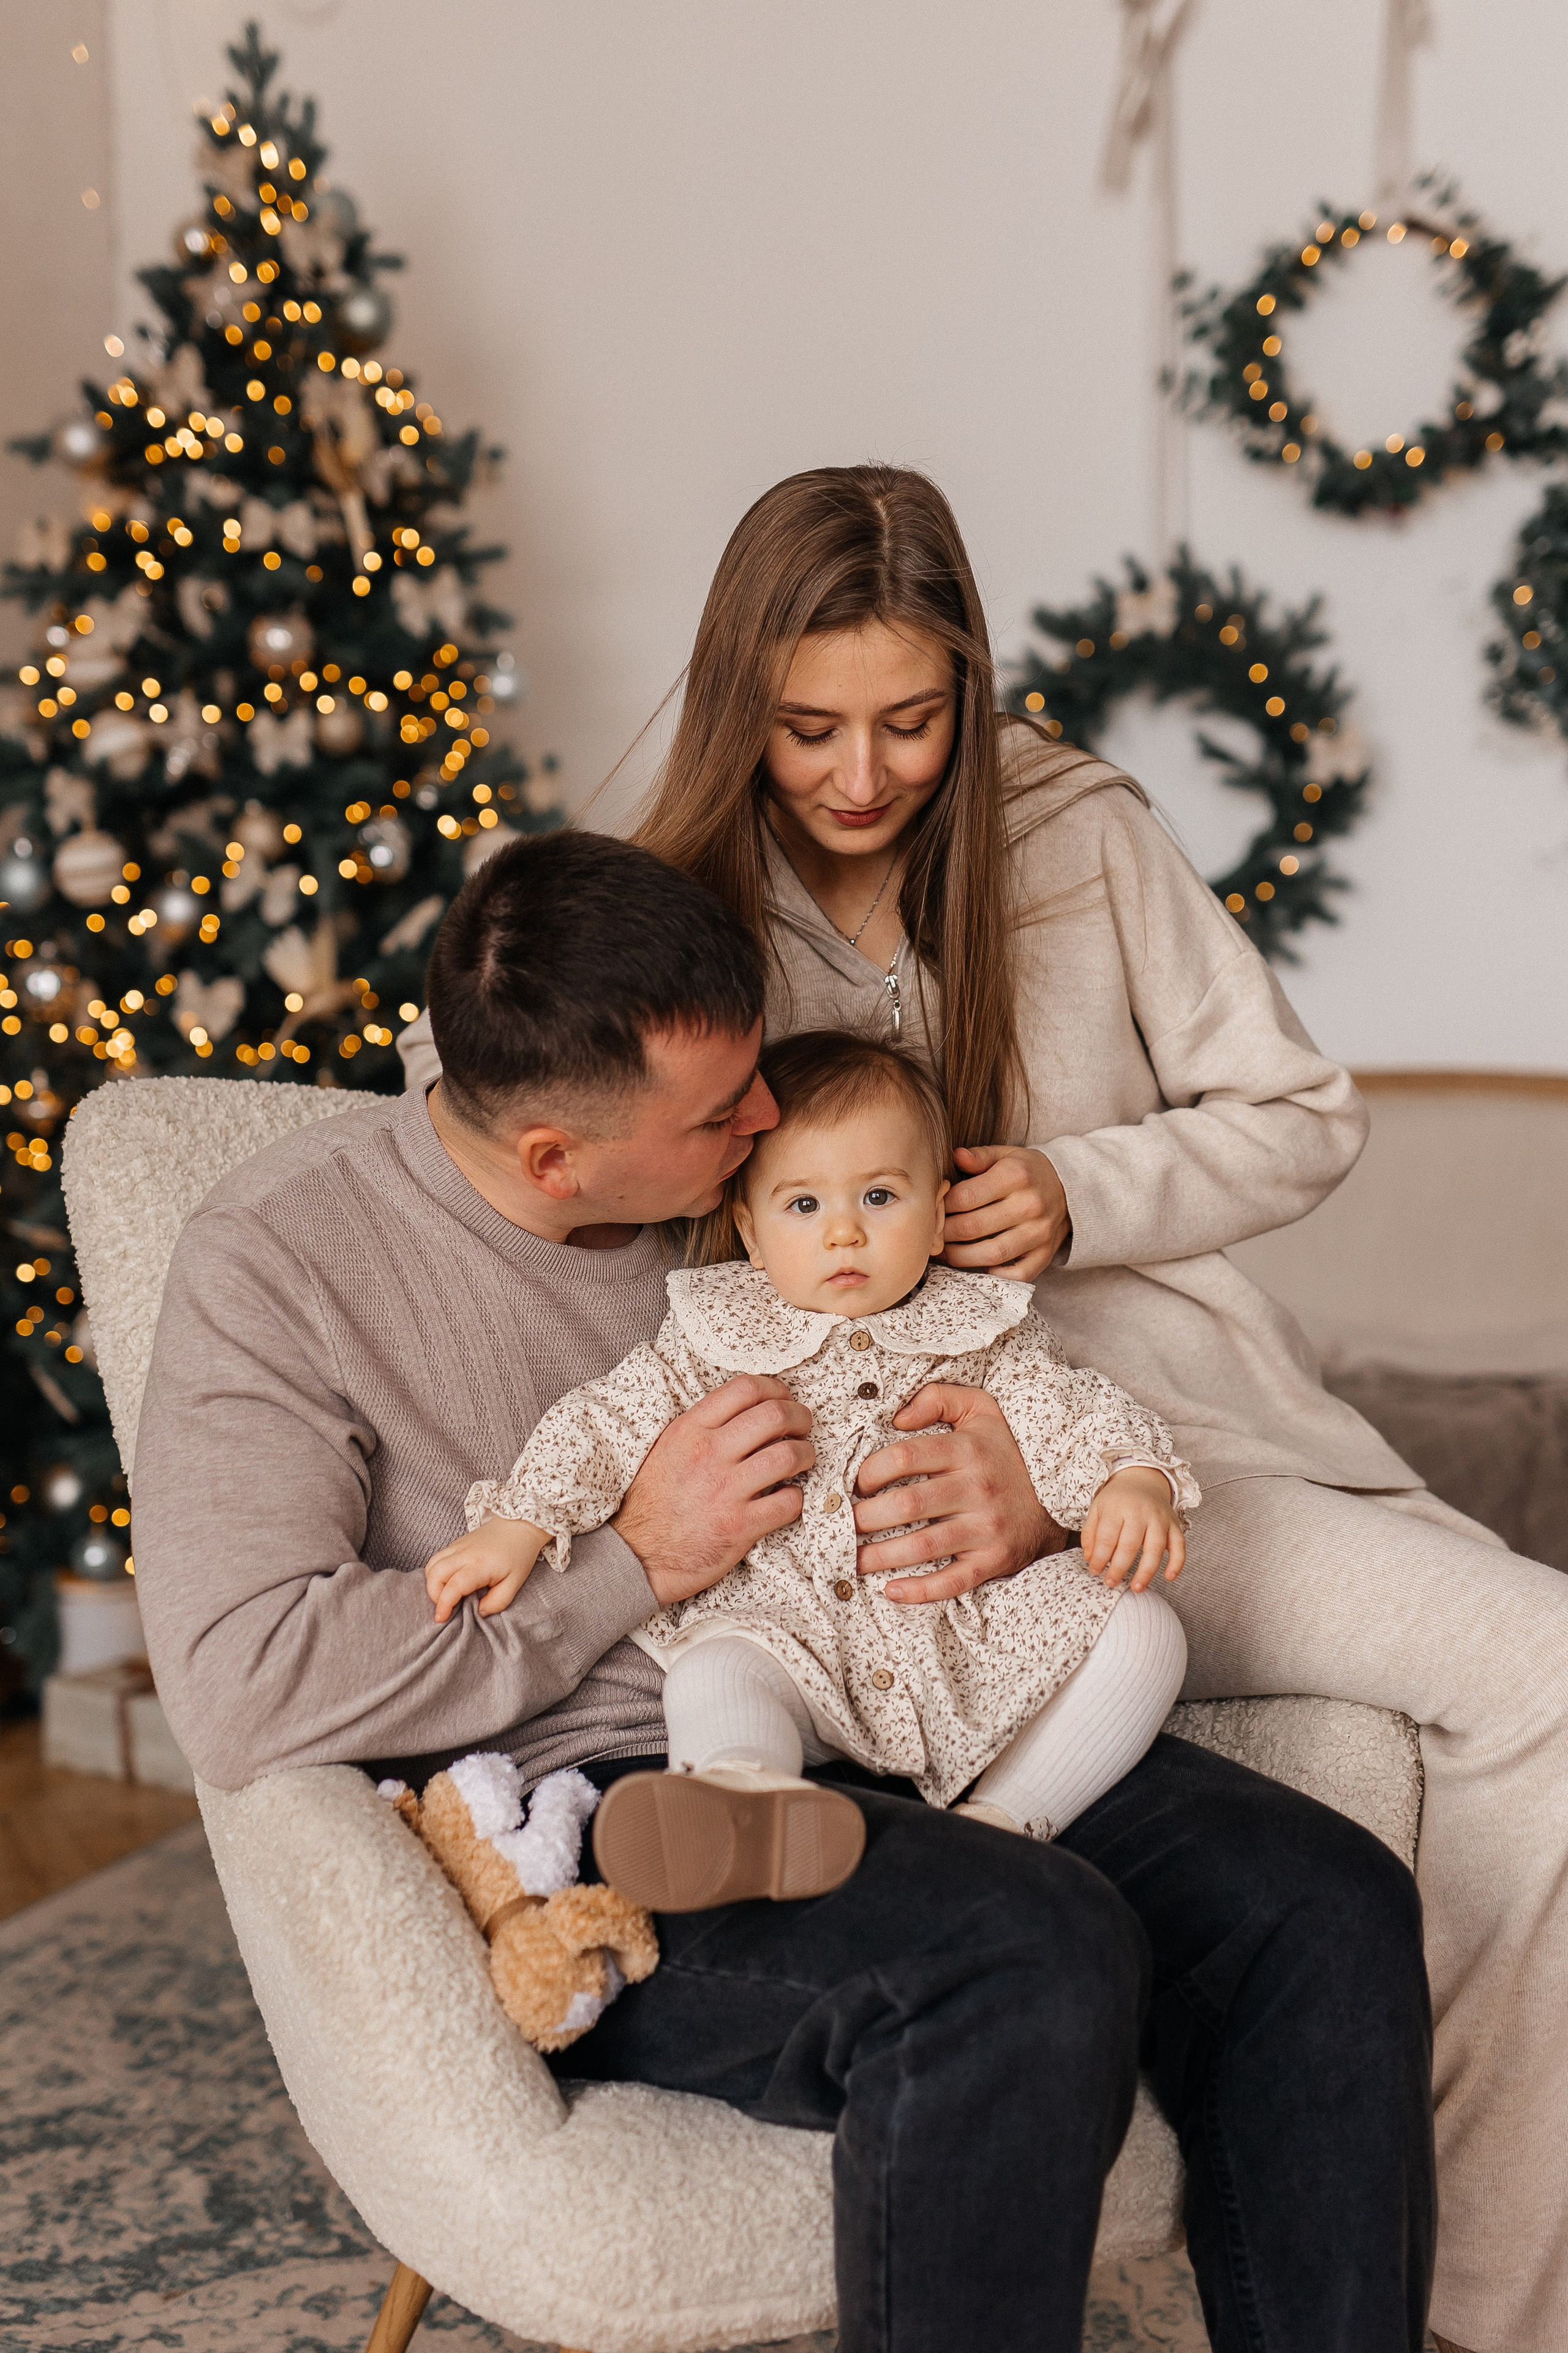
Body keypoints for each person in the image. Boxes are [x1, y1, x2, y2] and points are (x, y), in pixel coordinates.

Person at [135, 830, 1436, 2353]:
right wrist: (634, 1561)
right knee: (1023, 1951)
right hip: (635, 1795)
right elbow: (240, 1681)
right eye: (719, 1116)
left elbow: (998, 1367)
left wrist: (1016, 1505)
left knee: (1324, 1901)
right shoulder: (283, 1263)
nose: (769, 1122)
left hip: (924, 1694)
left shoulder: (783, 1173)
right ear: (556, 1154)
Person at [423, 1027, 1193, 1911]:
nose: (843, 1232)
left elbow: (1076, 1411)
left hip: (960, 1634)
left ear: (938, 1211)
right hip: (790, 1634)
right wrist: (523, 1518)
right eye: (802, 1206)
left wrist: (1133, 1480)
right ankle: (742, 1799)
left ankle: (1009, 1822)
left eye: (878, 1195)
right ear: (748, 1229)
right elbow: (609, 1418)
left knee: (1144, 1628)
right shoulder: (717, 1333)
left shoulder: (985, 1327)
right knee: (714, 1671)